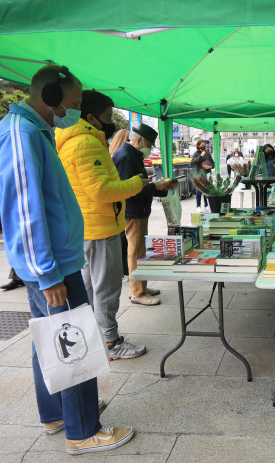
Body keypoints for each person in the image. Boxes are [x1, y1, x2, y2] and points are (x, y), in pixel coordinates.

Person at [0, 64, 133, 455]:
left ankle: (55, 413)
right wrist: (47, 274)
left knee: (50, 340)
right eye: (72, 103)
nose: (75, 110)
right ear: (50, 97)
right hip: (51, 268)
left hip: (53, 263)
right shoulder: (22, 135)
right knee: (73, 343)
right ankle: (83, 430)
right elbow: (23, 212)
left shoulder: (35, 131)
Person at [56, 90, 151, 359]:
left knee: (90, 288)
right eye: (108, 116)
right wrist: (137, 184)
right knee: (107, 288)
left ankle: (95, 337)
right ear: (90, 117)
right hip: (100, 227)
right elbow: (100, 190)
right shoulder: (86, 143)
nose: (111, 121)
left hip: (87, 227)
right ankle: (111, 342)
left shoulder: (74, 140)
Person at [113, 124, 177, 305]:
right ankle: (137, 292)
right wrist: (154, 186)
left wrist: (160, 186)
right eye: (149, 144)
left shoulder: (133, 154)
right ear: (139, 140)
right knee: (135, 251)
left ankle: (140, 286)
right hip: (133, 211)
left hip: (138, 210)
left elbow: (140, 184)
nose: (150, 149)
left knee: (140, 251)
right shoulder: (126, 156)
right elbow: (130, 189)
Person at [109, 129, 131, 280]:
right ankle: (124, 271)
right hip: (124, 205)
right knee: (125, 239)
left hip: (118, 206)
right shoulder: (125, 156)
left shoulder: (112, 155)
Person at [191, 139, 214, 211]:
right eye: (201, 146)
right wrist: (201, 156)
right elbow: (193, 162)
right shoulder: (196, 153)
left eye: (204, 146)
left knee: (206, 190)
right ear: (198, 146)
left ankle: (206, 205)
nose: (203, 147)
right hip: (200, 174)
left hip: (207, 173)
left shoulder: (207, 153)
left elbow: (213, 163)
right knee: (199, 190)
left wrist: (210, 166)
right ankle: (198, 206)